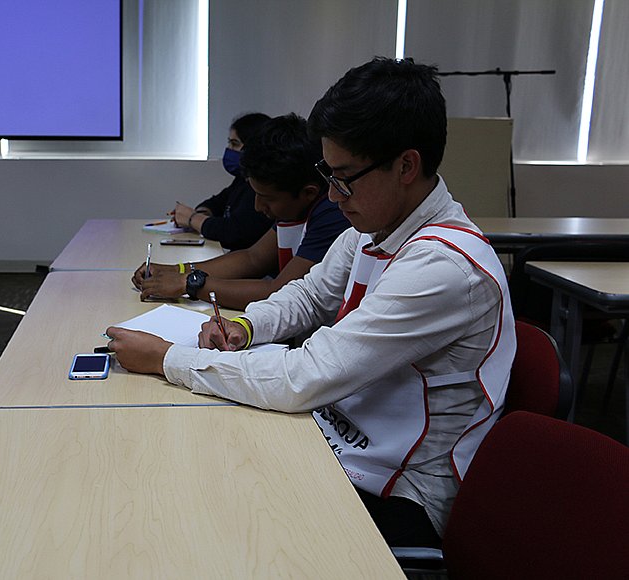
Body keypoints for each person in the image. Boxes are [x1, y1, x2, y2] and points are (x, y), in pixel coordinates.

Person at [107, 57, 516, 548]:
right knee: (197, 467)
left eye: (344, 177)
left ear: (406, 166)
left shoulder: (444, 267)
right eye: (328, 174)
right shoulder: (376, 227)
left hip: (399, 490)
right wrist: (247, 327)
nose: (333, 195)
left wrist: (166, 358)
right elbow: (308, 294)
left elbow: (307, 376)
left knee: (214, 519)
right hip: (334, 435)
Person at [134, 113, 351, 311]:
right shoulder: (293, 204)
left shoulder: (332, 215)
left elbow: (279, 292)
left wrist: (189, 283)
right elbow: (252, 258)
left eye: (266, 198)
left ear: (308, 193)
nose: (257, 206)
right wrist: (177, 271)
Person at [171, 113, 275, 251]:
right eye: (229, 143)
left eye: (235, 144)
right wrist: (203, 212)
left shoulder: (259, 187)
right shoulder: (242, 180)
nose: (229, 149)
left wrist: (192, 219)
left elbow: (235, 232)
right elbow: (217, 202)